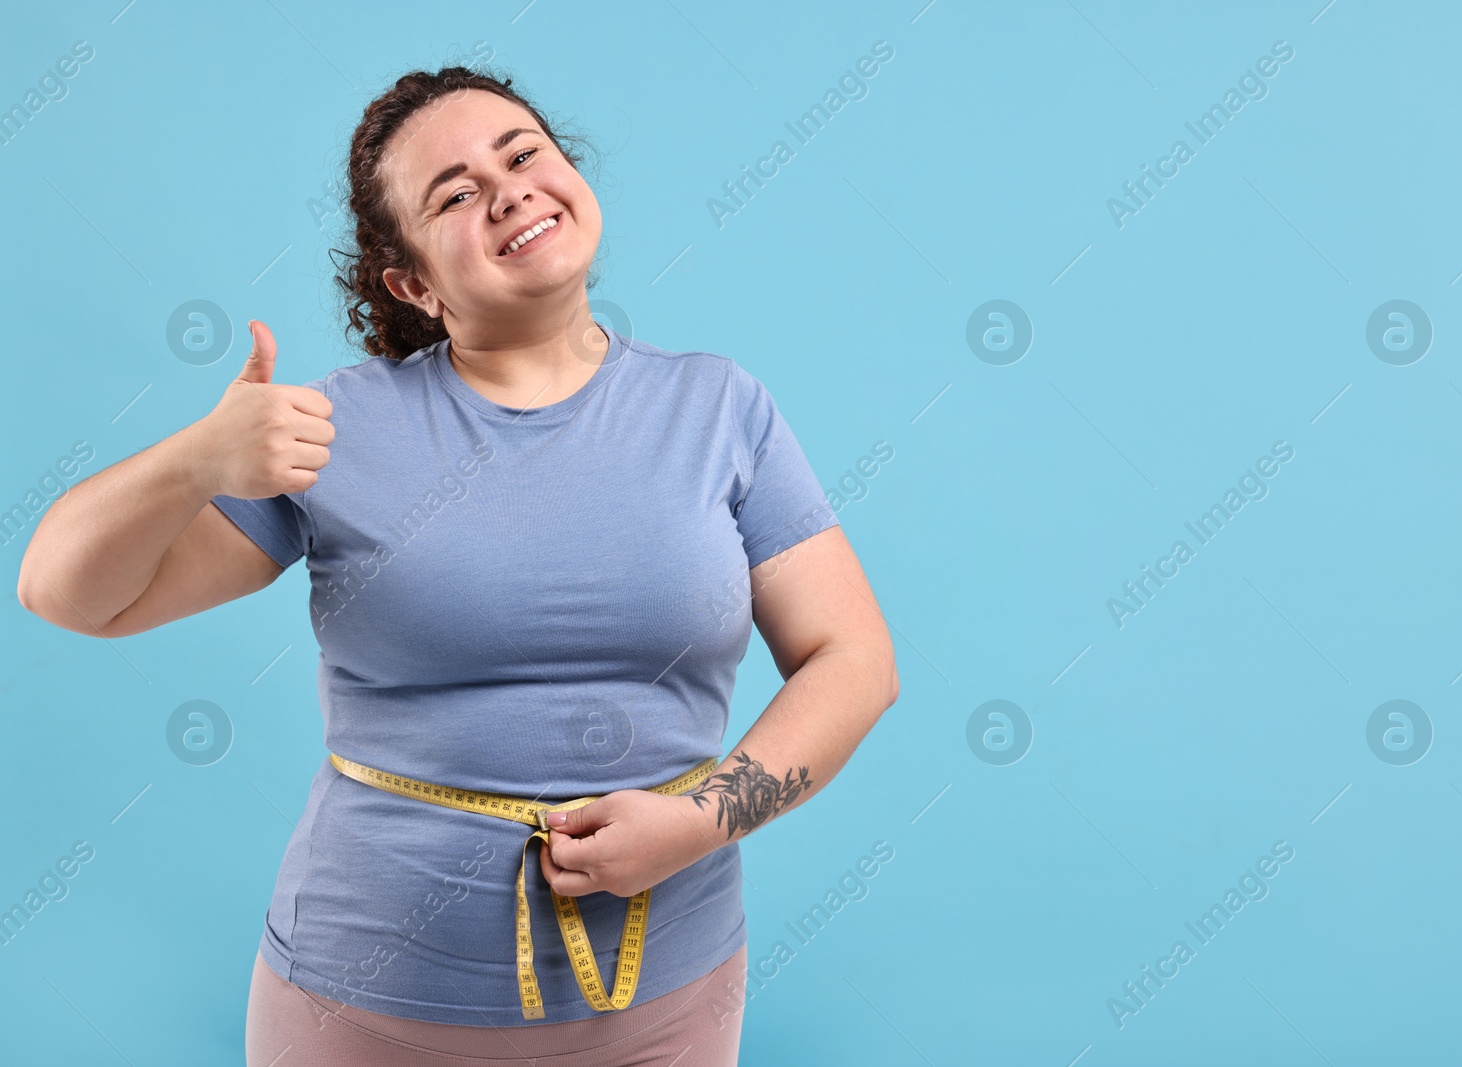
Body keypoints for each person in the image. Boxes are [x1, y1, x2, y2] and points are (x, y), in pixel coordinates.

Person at [15, 64, 898, 1066]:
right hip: (362, 1009)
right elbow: (65, 592)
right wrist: (194, 459)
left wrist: (698, 821)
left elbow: (854, 659)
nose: (509, 188)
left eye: (523, 155)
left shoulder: (718, 407)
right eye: (456, 193)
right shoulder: (332, 428)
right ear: (413, 283)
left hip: (666, 1003)